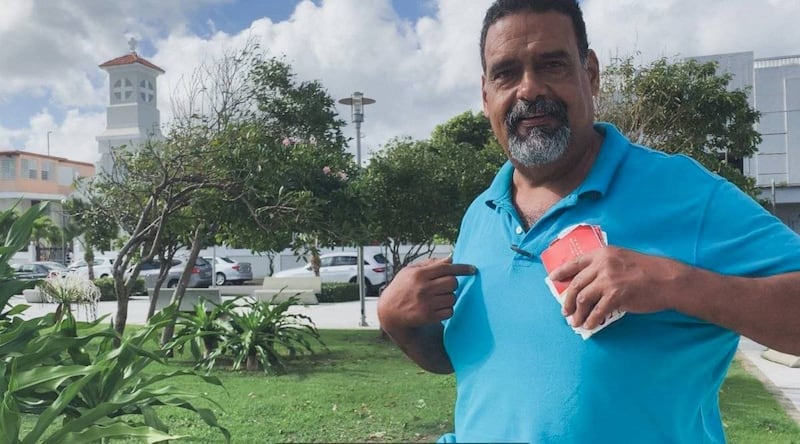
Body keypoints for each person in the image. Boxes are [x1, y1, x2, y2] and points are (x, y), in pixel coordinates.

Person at [377, 0, 800, 442]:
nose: (529, 89)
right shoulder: (479, 216)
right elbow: (469, 362)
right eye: (506, 73)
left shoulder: (687, 193)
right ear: (486, 96)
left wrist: (675, 283)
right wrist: (398, 322)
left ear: (591, 74)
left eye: (552, 64)